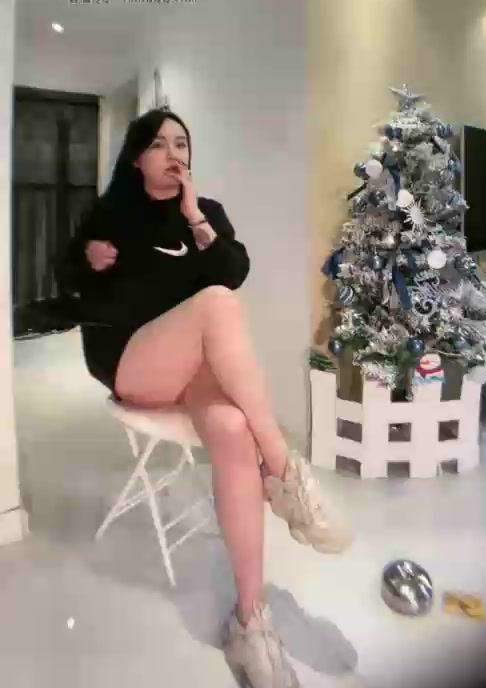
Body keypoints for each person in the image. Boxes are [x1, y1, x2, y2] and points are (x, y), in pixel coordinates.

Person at [61, 108, 352, 688]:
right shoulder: (110, 213)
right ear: (137, 157)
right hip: (130, 360)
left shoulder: (206, 213)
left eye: (183, 143)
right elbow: (67, 277)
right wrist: (84, 259)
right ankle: (284, 470)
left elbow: (233, 269)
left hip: (189, 366)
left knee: (233, 428)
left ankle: (251, 622)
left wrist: (195, 217)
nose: (174, 153)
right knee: (215, 304)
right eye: (160, 143)